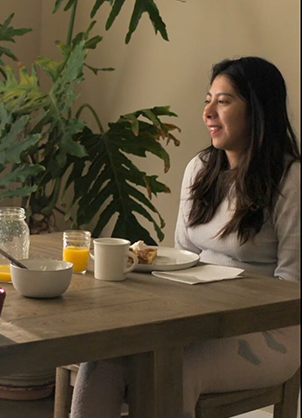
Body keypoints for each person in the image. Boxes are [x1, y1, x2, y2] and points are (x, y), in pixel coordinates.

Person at [70, 56, 300, 417]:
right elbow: (181, 260)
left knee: (173, 371)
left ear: (257, 110)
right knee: (102, 360)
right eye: (208, 100)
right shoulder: (201, 170)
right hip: (197, 320)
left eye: (223, 101)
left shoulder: (291, 180)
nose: (209, 111)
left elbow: (293, 285)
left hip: (270, 332)